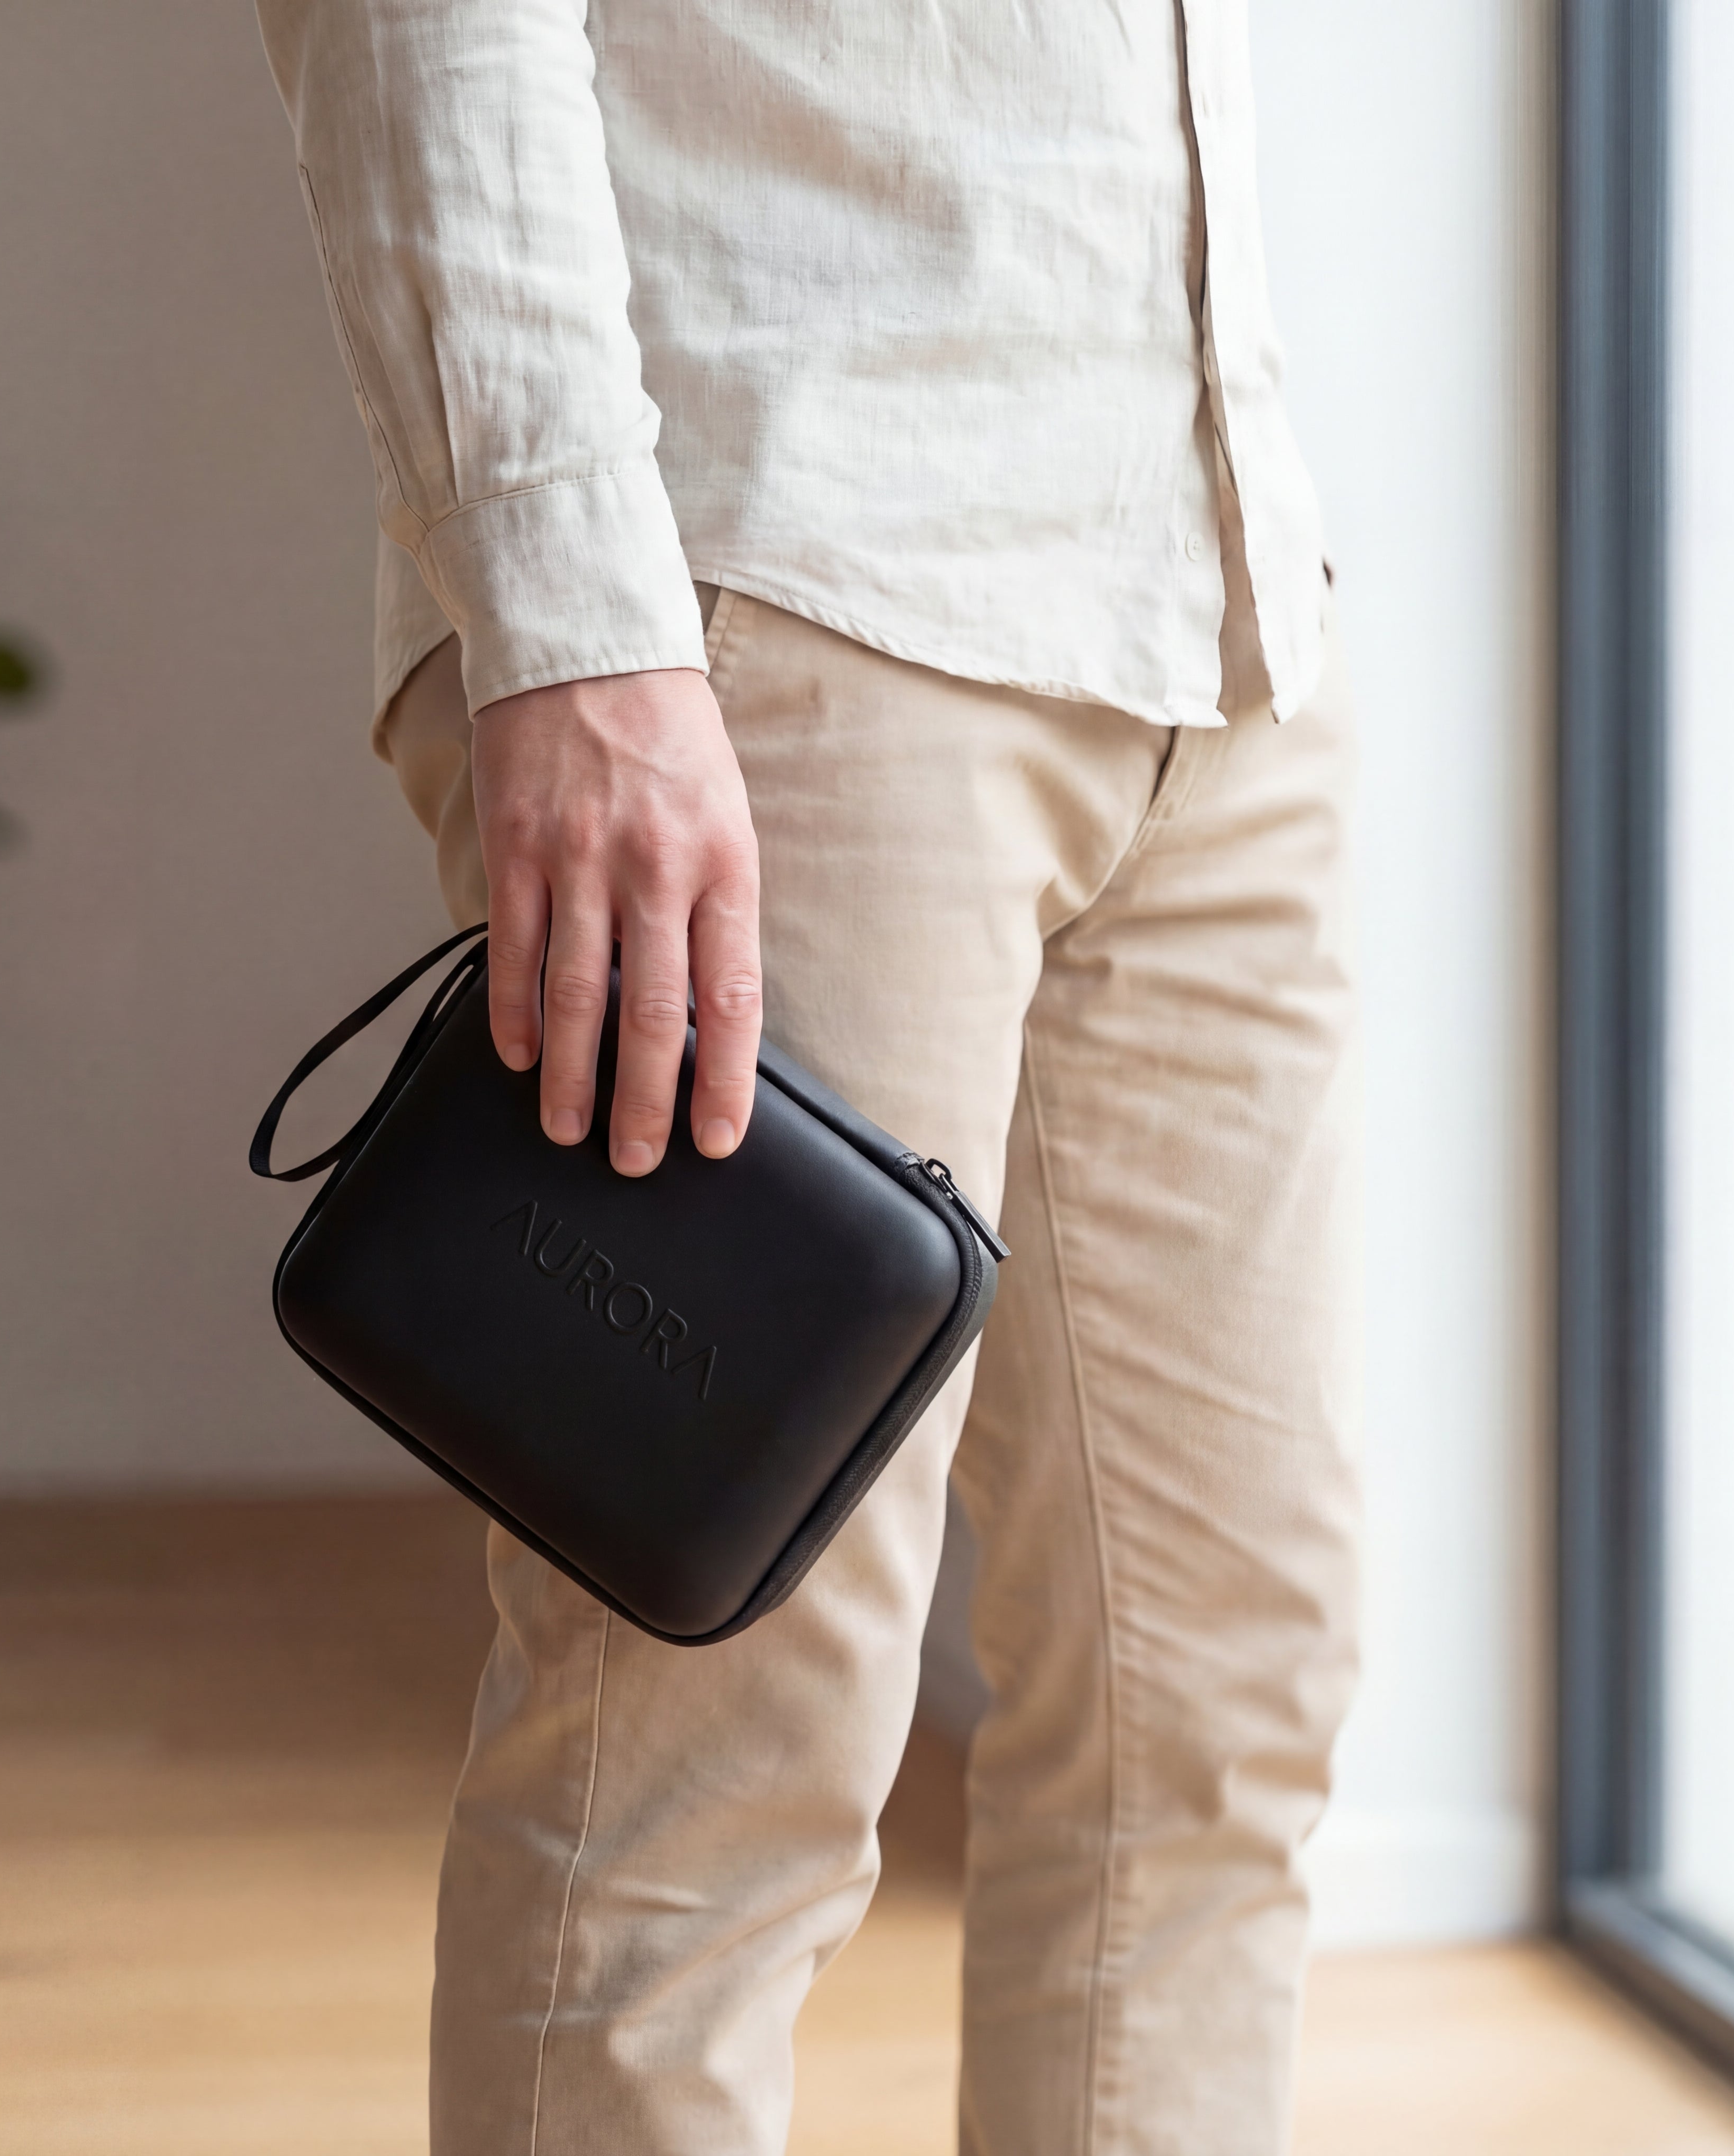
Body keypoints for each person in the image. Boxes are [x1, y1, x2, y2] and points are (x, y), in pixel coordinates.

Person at [256, 3, 1359, 2150]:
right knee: (707, 1757)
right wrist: (570, 620)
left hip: (1212, 600)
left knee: (1214, 1701)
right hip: (772, 583)